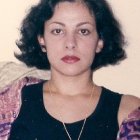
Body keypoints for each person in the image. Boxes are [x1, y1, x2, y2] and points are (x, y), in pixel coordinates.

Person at [8, 0, 140, 139]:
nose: (70, 43)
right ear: (42, 40)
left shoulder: (128, 111)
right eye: (58, 31)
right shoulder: (11, 104)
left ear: (100, 41)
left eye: (83, 31)